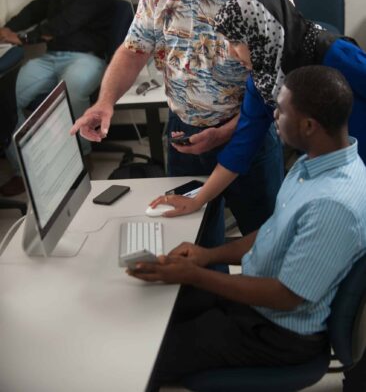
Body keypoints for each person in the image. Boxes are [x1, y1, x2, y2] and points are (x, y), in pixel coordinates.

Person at [128, 66, 366, 388]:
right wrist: (206, 256)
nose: (274, 116)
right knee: (152, 308)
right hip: (259, 306)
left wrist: (195, 274)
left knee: (140, 356)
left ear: (309, 125)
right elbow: (272, 231)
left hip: (277, 332)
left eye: (281, 111)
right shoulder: (314, 162)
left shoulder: (332, 205)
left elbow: (286, 297)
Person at [71, 0, 292, 236]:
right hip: (183, 135)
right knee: (194, 241)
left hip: (247, 134)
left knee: (262, 240)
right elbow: (133, 49)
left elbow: (276, 85)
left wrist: (223, 133)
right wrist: (105, 103)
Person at [150, 0, 366, 218]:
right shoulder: (264, 81)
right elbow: (242, 145)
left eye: (235, 43)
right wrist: (198, 200)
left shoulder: (335, 54)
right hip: (334, 173)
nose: (232, 54)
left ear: (260, 33)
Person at [0, 0, 115, 196]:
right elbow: (34, 10)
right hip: (51, 59)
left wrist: (24, 40)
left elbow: (63, 24)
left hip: (88, 59)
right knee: (4, 97)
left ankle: (82, 158)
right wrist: (8, 29)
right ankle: (24, 170)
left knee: (71, 88)